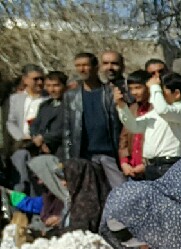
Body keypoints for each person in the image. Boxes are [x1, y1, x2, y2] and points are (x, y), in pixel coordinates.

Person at [115, 72, 181, 179]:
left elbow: (163, 110)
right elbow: (134, 126)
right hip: (151, 165)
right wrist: (122, 106)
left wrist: (155, 87)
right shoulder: (156, 112)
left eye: (161, 92)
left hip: (169, 164)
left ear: (176, 93)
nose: (158, 95)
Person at [67, 51, 125, 189]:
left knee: (122, 193)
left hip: (110, 154)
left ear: (95, 67)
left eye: (85, 65)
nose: (82, 69)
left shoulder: (110, 93)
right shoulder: (71, 96)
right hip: (85, 156)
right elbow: (67, 132)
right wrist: (68, 163)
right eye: (78, 66)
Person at [26, 72, 70, 207]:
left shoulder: (71, 104)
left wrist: (45, 138)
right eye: (49, 86)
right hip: (43, 151)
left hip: (63, 150)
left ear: (64, 86)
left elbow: (69, 128)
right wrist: (38, 140)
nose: (52, 89)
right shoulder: (45, 105)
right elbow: (35, 126)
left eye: (56, 85)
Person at [8, 67, 45, 194]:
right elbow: (11, 121)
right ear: (25, 80)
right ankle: (19, 210)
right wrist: (20, 137)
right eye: (36, 79)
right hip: (21, 144)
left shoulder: (47, 99)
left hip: (41, 145)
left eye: (42, 79)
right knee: (20, 180)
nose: (40, 82)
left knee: (38, 180)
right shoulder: (16, 98)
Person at [118, 71, 150, 179]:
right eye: (131, 89)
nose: (134, 92)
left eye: (138, 88)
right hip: (132, 168)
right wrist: (124, 162)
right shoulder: (132, 108)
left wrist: (146, 164)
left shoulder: (156, 109)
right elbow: (124, 138)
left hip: (149, 167)